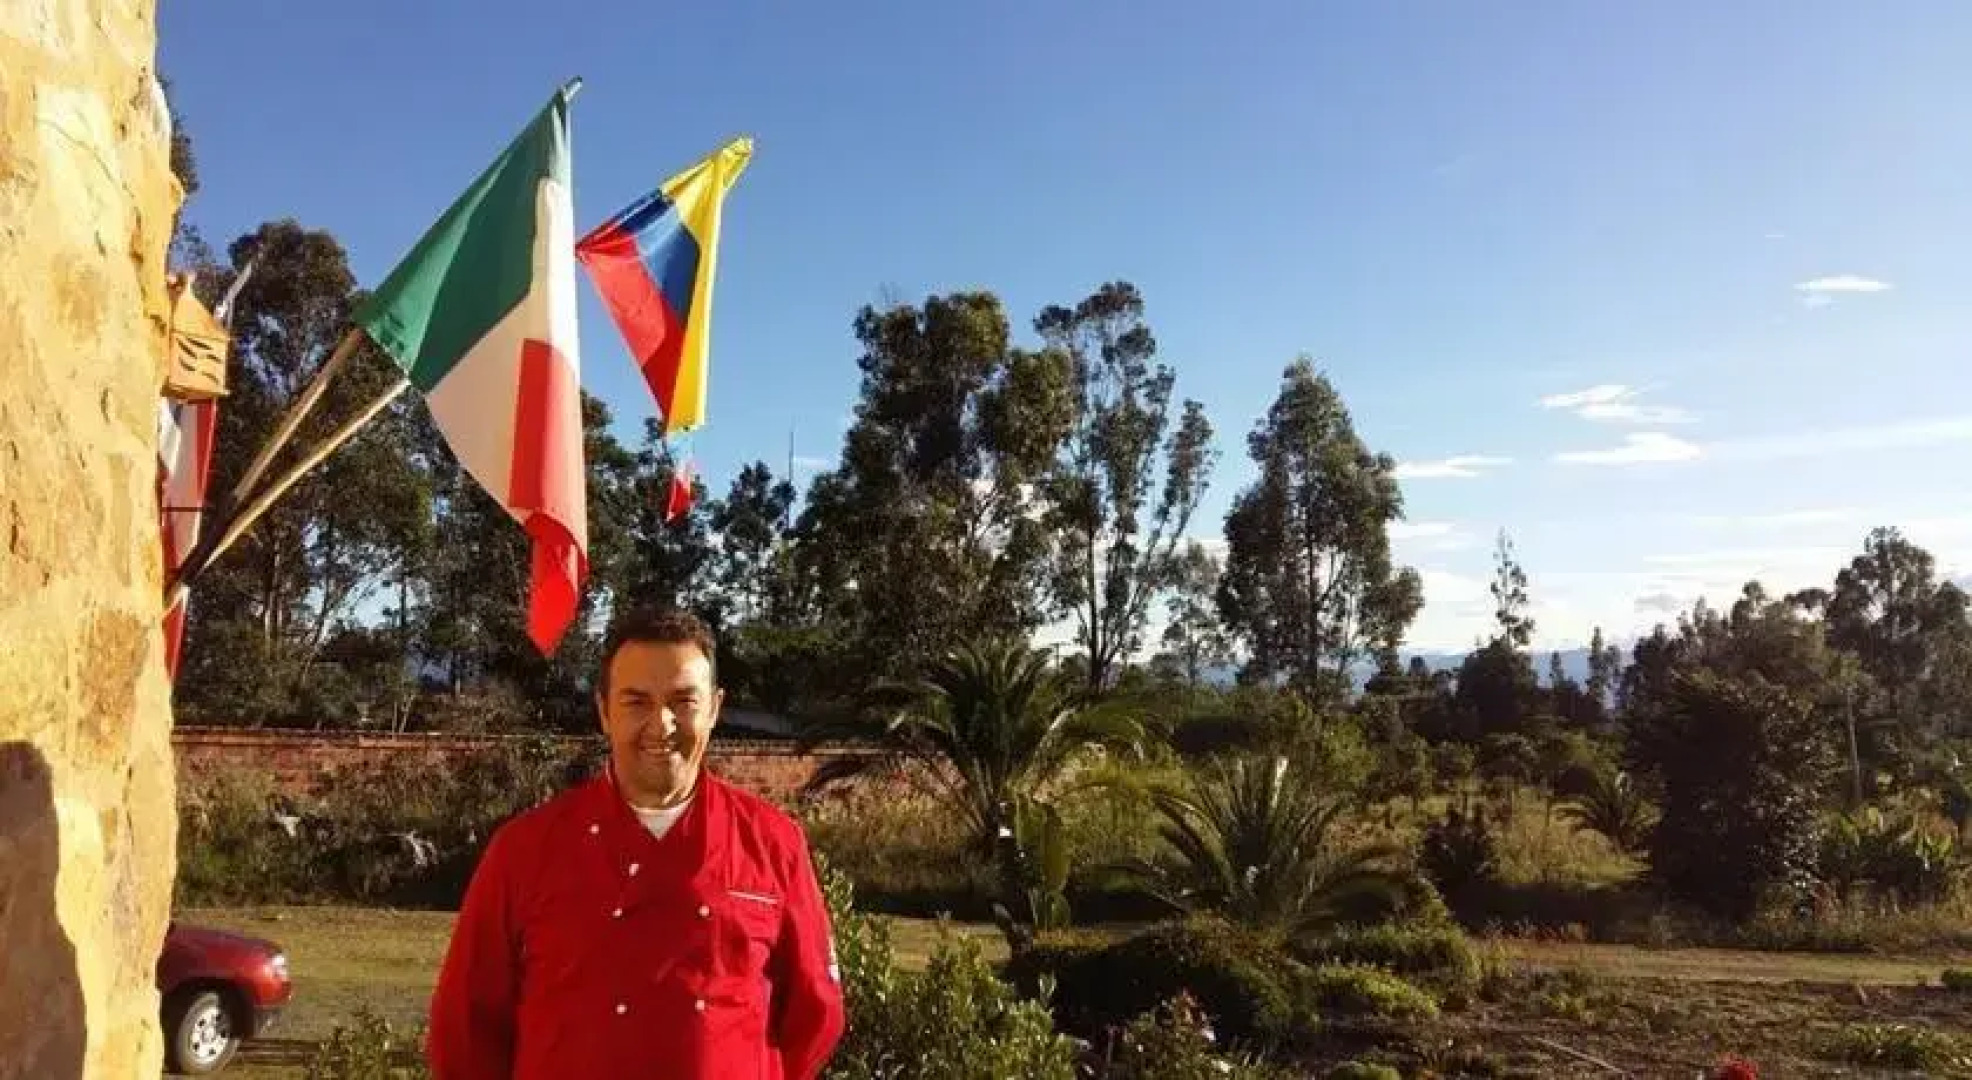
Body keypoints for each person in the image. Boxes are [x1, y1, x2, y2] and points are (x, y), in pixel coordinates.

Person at [427, 608, 845, 1079]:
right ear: (604, 711)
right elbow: (466, 1028)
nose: (661, 724)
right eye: (636, 702)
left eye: (683, 701)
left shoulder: (774, 843)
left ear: (714, 709)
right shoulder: (523, 851)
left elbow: (815, 1014)